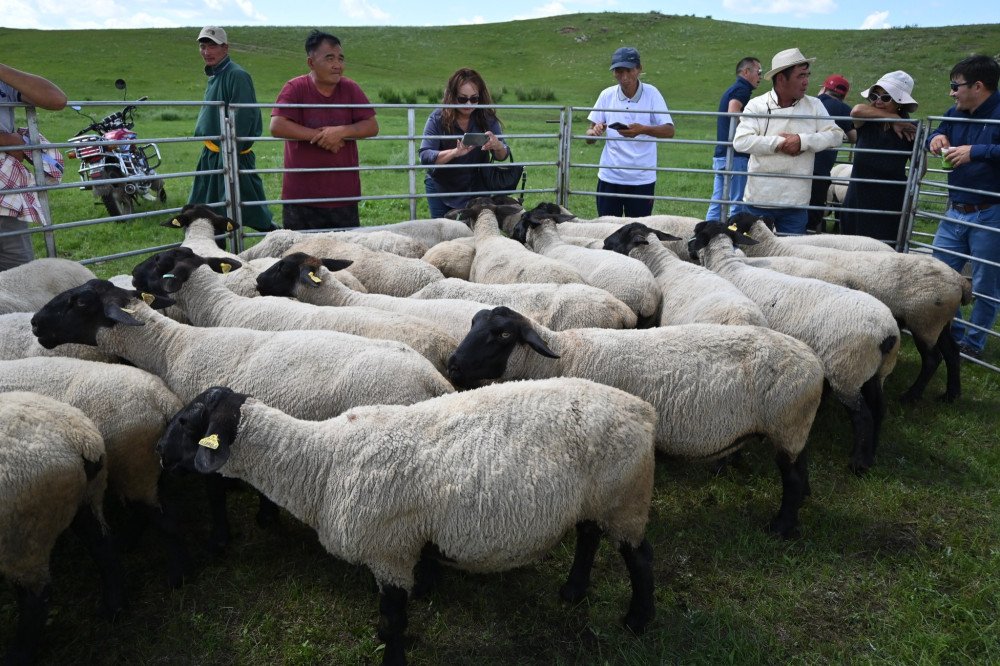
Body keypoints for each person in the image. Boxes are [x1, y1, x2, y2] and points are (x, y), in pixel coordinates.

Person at [927, 55, 1000, 360]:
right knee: (939, 274)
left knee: (985, 283)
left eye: (955, 86)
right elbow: (936, 131)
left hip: (991, 211)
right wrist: (936, 137)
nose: (952, 92)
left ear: (978, 86)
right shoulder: (954, 113)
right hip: (956, 209)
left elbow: (982, 151)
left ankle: (973, 343)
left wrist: (976, 152)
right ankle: (951, 335)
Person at [270, 30, 379, 230]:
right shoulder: (295, 88)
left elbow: (372, 126)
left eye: (340, 58)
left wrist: (341, 132)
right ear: (311, 63)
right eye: (330, 58)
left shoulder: (350, 88)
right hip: (301, 197)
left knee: (346, 249)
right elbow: (277, 125)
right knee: (302, 249)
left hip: (343, 196)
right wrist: (321, 136)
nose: (337, 65)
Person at [733, 47, 845, 234]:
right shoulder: (757, 105)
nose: (806, 81)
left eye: (807, 75)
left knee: (791, 250)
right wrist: (779, 144)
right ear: (781, 78)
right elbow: (741, 141)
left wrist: (802, 141)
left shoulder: (814, 105)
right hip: (760, 198)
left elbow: (836, 135)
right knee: (754, 248)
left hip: (796, 202)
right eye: (800, 76)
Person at [189, 26, 275, 232]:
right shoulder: (216, 74)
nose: (206, 52)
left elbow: (244, 116)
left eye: (212, 46)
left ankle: (277, 239)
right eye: (203, 46)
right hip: (212, 153)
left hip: (230, 153)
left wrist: (230, 152)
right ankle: (214, 245)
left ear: (225, 48)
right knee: (206, 209)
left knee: (247, 208)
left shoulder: (237, 75)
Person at [585, 47, 675, 217]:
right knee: (607, 228)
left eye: (629, 70)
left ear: (639, 69)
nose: (624, 76)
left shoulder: (652, 94)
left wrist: (643, 129)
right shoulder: (606, 95)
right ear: (613, 72)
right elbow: (589, 136)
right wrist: (594, 132)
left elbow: (670, 131)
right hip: (610, 177)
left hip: (641, 179)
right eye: (619, 71)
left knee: (638, 229)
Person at [1, 63, 66, 271]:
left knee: (18, 273)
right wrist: (7, 140)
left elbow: (56, 100)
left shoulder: (4, 82)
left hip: (6, 198)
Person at [840, 71, 918, 244]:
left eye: (886, 97)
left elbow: (920, 168)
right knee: (850, 247)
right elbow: (856, 110)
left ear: (900, 102)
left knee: (883, 249)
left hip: (889, 201)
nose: (878, 101)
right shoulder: (866, 122)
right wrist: (892, 117)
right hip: (858, 197)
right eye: (874, 96)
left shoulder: (909, 128)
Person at [419, 68, 509, 219]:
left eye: (474, 99)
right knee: (444, 232)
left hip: (478, 189)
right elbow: (425, 155)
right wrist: (454, 152)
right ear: (452, 96)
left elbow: (502, 156)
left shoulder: (487, 117)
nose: (468, 103)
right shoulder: (437, 118)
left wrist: (498, 146)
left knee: (478, 230)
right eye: (462, 99)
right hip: (442, 189)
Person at [706, 57, 761, 222]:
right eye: (758, 72)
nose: (760, 76)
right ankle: (734, 232)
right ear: (746, 72)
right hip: (735, 154)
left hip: (722, 153)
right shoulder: (742, 89)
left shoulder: (734, 88)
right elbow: (733, 111)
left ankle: (708, 231)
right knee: (737, 201)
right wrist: (752, 128)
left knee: (717, 200)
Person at [808, 74, 857, 232]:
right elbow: (854, 137)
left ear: (824, 89)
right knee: (815, 212)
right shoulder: (843, 109)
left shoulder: (809, 103)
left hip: (797, 166)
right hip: (819, 171)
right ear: (843, 95)